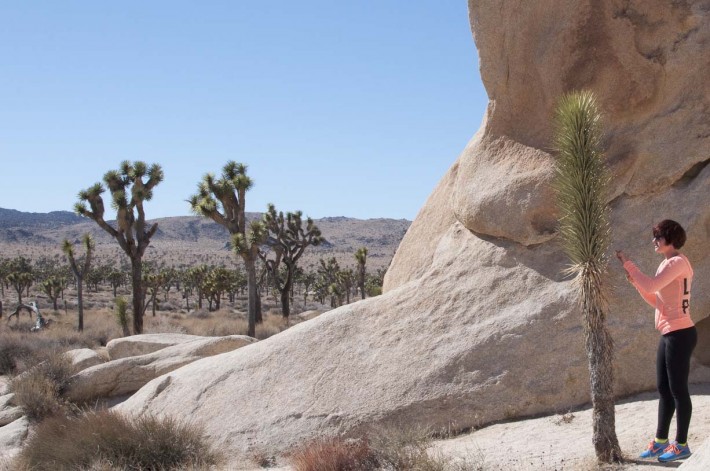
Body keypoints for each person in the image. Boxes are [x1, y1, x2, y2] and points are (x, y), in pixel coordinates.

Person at [616, 219, 696, 462]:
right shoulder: (669, 264)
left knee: (678, 390)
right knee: (664, 389)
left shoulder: (676, 262)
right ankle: (661, 442)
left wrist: (629, 265)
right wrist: (637, 284)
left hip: (680, 333)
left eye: (658, 236)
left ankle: (681, 444)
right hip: (670, 332)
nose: (654, 241)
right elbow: (658, 301)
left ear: (670, 238)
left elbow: (651, 284)